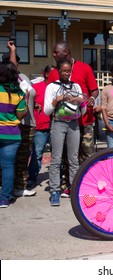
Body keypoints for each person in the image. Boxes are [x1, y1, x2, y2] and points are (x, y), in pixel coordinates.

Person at [48, 41, 99, 197]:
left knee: (87, 155)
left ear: (66, 52)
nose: (54, 54)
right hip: (63, 122)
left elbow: (95, 90)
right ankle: (67, 186)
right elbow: (50, 97)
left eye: (56, 52)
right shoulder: (54, 72)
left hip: (85, 120)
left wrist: (90, 98)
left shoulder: (84, 68)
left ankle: (87, 185)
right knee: (64, 156)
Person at [44, 59, 87, 206]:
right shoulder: (52, 87)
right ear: (58, 71)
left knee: (73, 159)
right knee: (56, 159)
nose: (66, 73)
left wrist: (78, 100)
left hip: (73, 124)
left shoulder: (76, 86)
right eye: (63, 70)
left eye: (68, 71)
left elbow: (84, 109)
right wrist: (58, 100)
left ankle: (74, 189)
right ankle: (55, 191)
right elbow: (46, 110)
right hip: (58, 123)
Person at [2, 46, 37, 197]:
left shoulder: (24, 77)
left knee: (23, 158)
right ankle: (6, 189)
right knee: (8, 162)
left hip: (28, 122)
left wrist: (34, 103)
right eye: (11, 62)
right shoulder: (6, 82)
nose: (14, 64)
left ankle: (19, 186)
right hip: (14, 124)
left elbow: (31, 95)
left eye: (16, 62)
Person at [0, 41, 27, 208]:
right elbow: (20, 114)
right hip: (11, 134)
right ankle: (4, 199)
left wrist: (12, 50)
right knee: (8, 167)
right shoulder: (18, 93)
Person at [27, 65, 54, 188]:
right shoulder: (36, 87)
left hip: (55, 126)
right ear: (46, 74)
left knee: (57, 155)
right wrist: (34, 103)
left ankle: (57, 180)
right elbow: (28, 103)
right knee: (37, 154)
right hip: (40, 127)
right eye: (53, 73)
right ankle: (32, 178)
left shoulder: (57, 88)